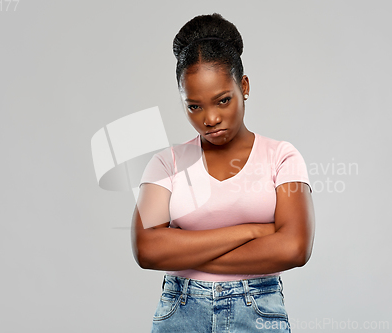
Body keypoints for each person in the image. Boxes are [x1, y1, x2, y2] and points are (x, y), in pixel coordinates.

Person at [131, 13, 315, 333]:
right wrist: (253, 231)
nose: (210, 118)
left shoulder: (282, 158)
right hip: (180, 312)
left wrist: (182, 251)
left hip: (257, 312)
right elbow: (147, 250)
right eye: (194, 106)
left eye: (223, 100)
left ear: (243, 86)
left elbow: (294, 248)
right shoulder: (166, 164)